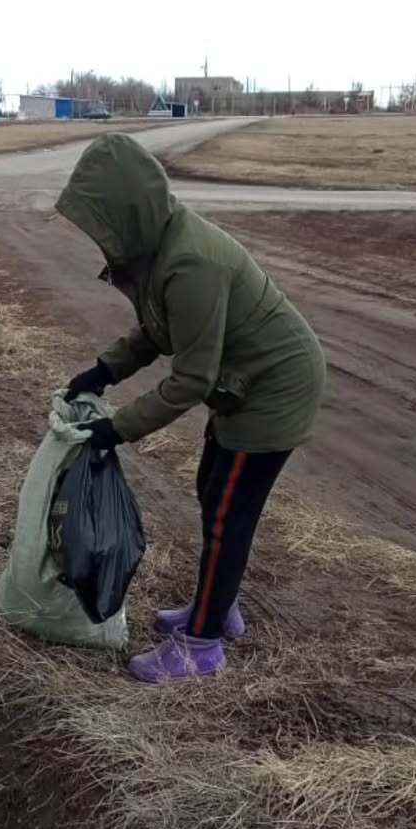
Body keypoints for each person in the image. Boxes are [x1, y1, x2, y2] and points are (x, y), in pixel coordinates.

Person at [58, 134, 326, 684]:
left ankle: (201, 646)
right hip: (244, 385)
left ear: (129, 211)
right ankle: (216, 605)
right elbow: (159, 328)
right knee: (213, 489)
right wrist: (106, 370)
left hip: (274, 389)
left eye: (103, 221)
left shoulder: (191, 262)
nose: (98, 237)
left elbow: (191, 379)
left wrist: (118, 429)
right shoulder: (159, 250)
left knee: (230, 511)